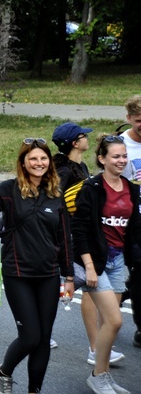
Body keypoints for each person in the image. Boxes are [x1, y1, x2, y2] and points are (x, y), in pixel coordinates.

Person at [0, 140, 73, 394]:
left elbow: (64, 239)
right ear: (24, 163)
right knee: (30, 336)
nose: (39, 163)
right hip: (18, 274)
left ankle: (33, 390)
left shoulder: (56, 195)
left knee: (43, 339)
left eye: (43, 159)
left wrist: (68, 275)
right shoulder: (10, 190)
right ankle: (3, 372)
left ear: (49, 162)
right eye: (33, 159)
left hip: (48, 274)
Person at [72, 135, 138, 394]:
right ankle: (97, 374)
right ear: (102, 159)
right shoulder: (92, 188)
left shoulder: (131, 188)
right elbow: (79, 229)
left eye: (124, 156)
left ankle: (103, 375)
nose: (121, 161)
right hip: (97, 261)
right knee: (115, 320)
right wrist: (88, 265)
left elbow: (135, 229)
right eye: (115, 156)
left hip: (119, 259)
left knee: (107, 324)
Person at [120, 95, 141, 348]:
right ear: (129, 119)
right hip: (133, 221)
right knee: (139, 271)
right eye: (139, 121)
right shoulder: (121, 146)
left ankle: (124, 290)